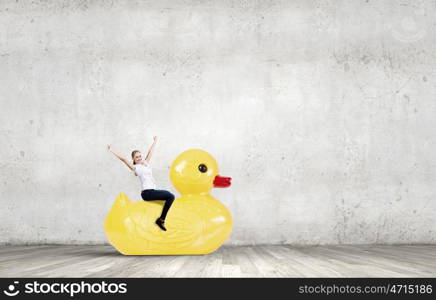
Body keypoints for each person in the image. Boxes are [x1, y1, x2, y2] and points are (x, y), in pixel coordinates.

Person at [107, 136, 175, 231]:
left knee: (170, 196)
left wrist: (155, 141)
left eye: (140, 156)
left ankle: (160, 219)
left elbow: (150, 152)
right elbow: (124, 159)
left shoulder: (146, 164)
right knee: (170, 196)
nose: (139, 158)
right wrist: (111, 150)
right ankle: (161, 220)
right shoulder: (136, 168)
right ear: (133, 159)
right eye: (136, 157)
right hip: (147, 193)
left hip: (152, 191)